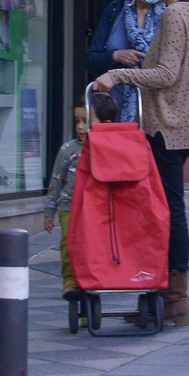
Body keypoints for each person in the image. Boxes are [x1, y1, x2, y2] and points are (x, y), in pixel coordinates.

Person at [91, 0, 189, 326]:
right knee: (171, 209)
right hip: (184, 125)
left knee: (169, 212)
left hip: (169, 125)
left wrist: (117, 74)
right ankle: (168, 297)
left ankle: (173, 298)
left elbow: (166, 75)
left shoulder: (176, 14)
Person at [45, 93, 119, 307]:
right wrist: (49, 211)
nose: (80, 127)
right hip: (69, 207)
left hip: (98, 209)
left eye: (86, 121)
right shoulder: (68, 150)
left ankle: (91, 283)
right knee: (69, 243)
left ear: (106, 124)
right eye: (77, 120)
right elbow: (56, 181)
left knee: (94, 248)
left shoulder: (112, 148)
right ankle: (70, 280)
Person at [84, 0, 164, 124]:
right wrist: (115, 56)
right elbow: (91, 60)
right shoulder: (115, 9)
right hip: (115, 111)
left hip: (158, 112)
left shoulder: (168, 12)